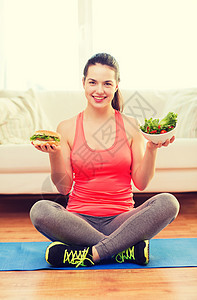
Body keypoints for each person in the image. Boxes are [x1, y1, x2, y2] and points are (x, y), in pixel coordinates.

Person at [30, 53, 180, 268]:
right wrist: (54, 154)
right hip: (79, 221)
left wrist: (151, 148)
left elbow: (142, 183)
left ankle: (89, 253)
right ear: (83, 83)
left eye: (107, 83)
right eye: (93, 82)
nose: (99, 90)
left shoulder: (131, 125)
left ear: (117, 85)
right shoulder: (66, 127)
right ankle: (124, 250)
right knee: (40, 210)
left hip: (123, 221)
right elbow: (64, 188)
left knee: (168, 202)